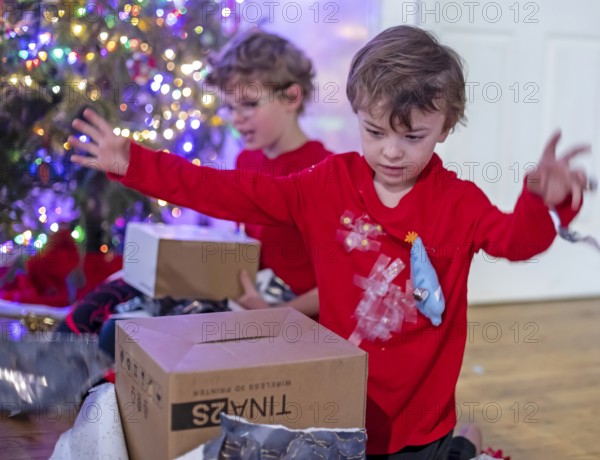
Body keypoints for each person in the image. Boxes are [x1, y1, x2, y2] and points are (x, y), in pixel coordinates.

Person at [68, 25, 590, 458]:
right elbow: (230, 192)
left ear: (446, 127)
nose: (391, 152)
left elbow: (515, 242)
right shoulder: (326, 185)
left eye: (413, 137)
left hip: (422, 420)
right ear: (358, 113)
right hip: (340, 404)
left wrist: (545, 203)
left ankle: (465, 445)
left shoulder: (459, 202)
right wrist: (135, 163)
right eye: (374, 131)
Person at [55, 29, 331, 338]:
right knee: (95, 313)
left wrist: (278, 313)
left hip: (284, 317)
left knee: (122, 335)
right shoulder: (248, 161)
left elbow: (340, 282)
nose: (237, 119)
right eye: (230, 107)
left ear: (291, 97)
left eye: (250, 104)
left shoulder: (324, 172)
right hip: (240, 297)